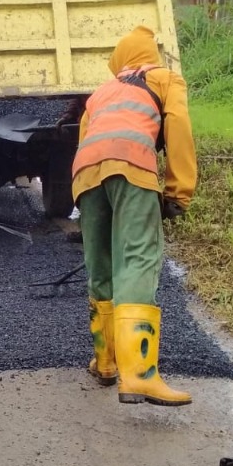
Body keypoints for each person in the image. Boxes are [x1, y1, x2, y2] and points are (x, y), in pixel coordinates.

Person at [71, 25, 198, 406]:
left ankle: (105, 361)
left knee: (101, 263)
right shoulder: (165, 79)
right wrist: (178, 191)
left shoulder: (100, 93)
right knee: (139, 259)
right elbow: (178, 126)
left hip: (85, 174)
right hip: (132, 167)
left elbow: (83, 139)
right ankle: (140, 375)